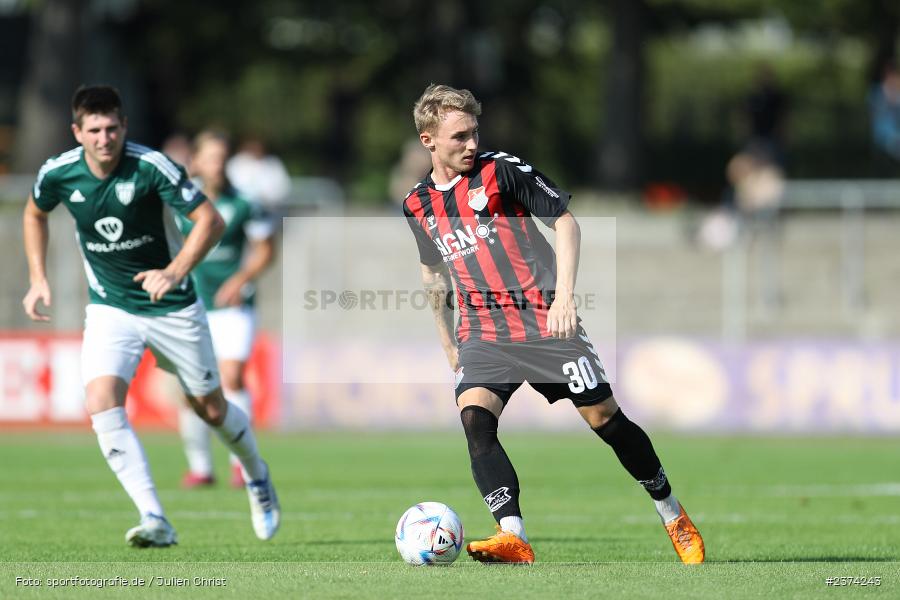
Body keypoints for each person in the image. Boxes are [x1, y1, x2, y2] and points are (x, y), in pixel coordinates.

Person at [402, 84, 704, 564]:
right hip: (482, 331)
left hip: (545, 322)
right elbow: (432, 273)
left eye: (474, 132)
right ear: (428, 140)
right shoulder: (418, 205)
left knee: (606, 421)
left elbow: (565, 222)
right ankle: (513, 535)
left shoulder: (501, 171)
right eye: (459, 136)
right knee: (475, 421)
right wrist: (446, 342)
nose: (471, 143)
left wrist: (564, 296)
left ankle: (672, 514)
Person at [22, 85, 280, 547]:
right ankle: (154, 518)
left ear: (124, 127)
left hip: (174, 306)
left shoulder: (150, 166)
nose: (105, 138)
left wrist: (174, 270)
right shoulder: (59, 173)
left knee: (212, 407)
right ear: (77, 132)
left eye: (112, 128)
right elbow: (34, 214)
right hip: (110, 308)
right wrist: (38, 278)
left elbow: (211, 222)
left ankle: (257, 475)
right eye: (95, 130)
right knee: (101, 399)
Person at [177, 130, 276, 489]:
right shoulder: (178, 201)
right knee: (193, 386)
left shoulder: (246, 202)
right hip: (191, 304)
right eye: (210, 157)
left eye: (223, 157)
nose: (217, 164)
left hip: (234, 305)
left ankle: (239, 462)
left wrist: (241, 277)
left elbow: (266, 249)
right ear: (197, 161)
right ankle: (201, 468)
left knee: (232, 377)